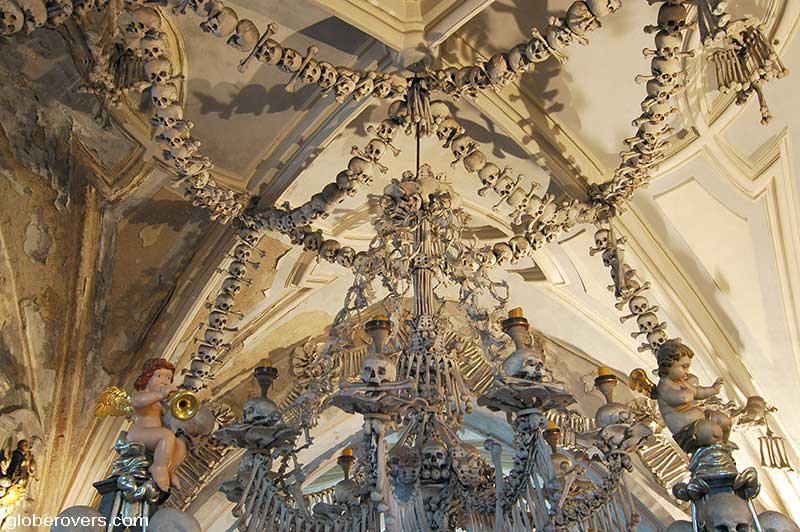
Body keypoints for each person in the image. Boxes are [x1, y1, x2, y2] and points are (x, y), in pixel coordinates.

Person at [655, 340, 732, 453]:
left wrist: (713, 389)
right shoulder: (664, 386)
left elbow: (698, 392)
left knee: (725, 421)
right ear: (668, 366)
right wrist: (689, 390)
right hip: (688, 432)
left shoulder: (680, 381)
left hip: (701, 421)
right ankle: (717, 453)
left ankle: (724, 445)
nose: (687, 371)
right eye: (684, 367)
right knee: (715, 432)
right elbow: (682, 398)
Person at [126, 358, 187, 491]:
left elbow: (167, 420)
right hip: (139, 433)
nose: (165, 381)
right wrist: (160, 394)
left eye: (169, 378)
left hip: (155, 434)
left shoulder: (160, 403)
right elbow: (137, 402)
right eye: (159, 376)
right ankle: (158, 467)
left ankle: (169, 470)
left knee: (180, 444)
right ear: (147, 378)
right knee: (167, 436)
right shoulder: (143, 395)